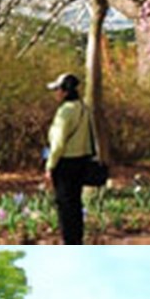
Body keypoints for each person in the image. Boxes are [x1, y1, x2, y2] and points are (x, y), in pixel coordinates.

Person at [44, 73, 95, 245]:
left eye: (57, 89)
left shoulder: (65, 111)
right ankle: (76, 241)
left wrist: (50, 165)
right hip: (81, 161)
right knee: (75, 204)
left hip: (65, 163)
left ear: (65, 91)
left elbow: (58, 143)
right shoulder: (83, 107)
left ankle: (69, 242)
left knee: (65, 206)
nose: (55, 93)